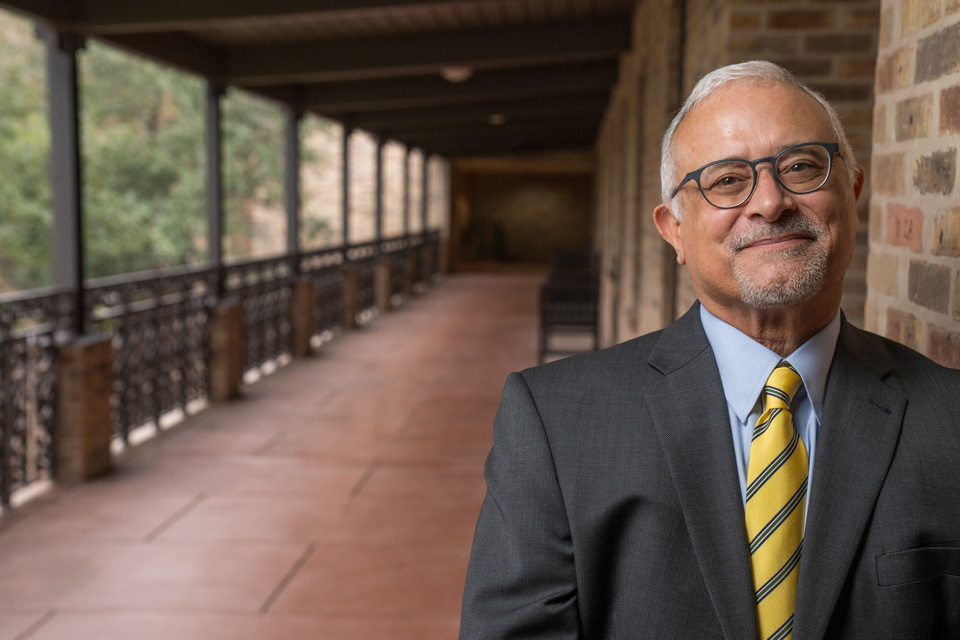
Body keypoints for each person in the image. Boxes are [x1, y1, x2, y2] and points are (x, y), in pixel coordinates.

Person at [459, 60, 960, 640]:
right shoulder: (555, 424)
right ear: (674, 229)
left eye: (801, 167)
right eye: (727, 180)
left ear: (851, 191)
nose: (770, 202)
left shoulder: (949, 419)